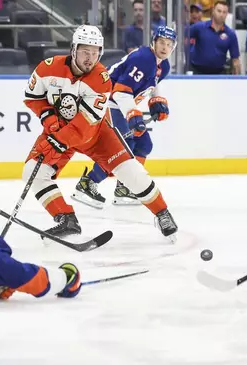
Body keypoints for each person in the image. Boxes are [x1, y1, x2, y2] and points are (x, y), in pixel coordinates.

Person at [21, 25, 178, 242]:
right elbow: (33, 97)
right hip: (58, 131)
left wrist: (58, 139)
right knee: (32, 171)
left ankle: (162, 213)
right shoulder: (47, 68)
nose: (90, 58)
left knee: (133, 172)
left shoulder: (101, 78)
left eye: (95, 52)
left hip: (97, 135)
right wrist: (49, 119)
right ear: (73, 49)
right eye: (86, 51)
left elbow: (85, 125)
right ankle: (66, 219)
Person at [71, 26, 175, 209]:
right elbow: (119, 92)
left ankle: (124, 188)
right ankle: (87, 184)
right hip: (106, 101)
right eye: (161, 42)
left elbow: (151, 83)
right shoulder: (144, 59)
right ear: (153, 42)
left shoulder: (162, 65)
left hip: (117, 103)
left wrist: (155, 101)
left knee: (144, 145)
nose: (165, 47)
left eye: (169, 44)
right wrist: (132, 114)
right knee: (122, 148)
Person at [189, 1, 241, 75]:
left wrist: (237, 79)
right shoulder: (199, 27)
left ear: (227, 14)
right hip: (197, 72)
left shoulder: (230, 34)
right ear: (213, 11)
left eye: (224, 12)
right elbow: (181, 36)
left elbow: (235, 60)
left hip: (218, 74)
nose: (221, 14)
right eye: (219, 11)